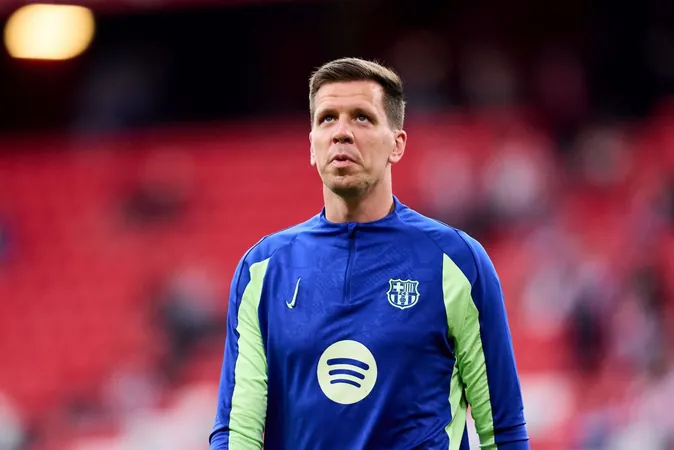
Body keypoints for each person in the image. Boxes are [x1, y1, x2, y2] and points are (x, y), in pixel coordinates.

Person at [210, 57, 529, 449]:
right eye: (327, 119)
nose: (341, 133)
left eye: (361, 117)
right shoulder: (263, 270)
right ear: (311, 145)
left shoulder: (457, 262)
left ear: (397, 144)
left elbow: (503, 430)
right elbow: (237, 433)